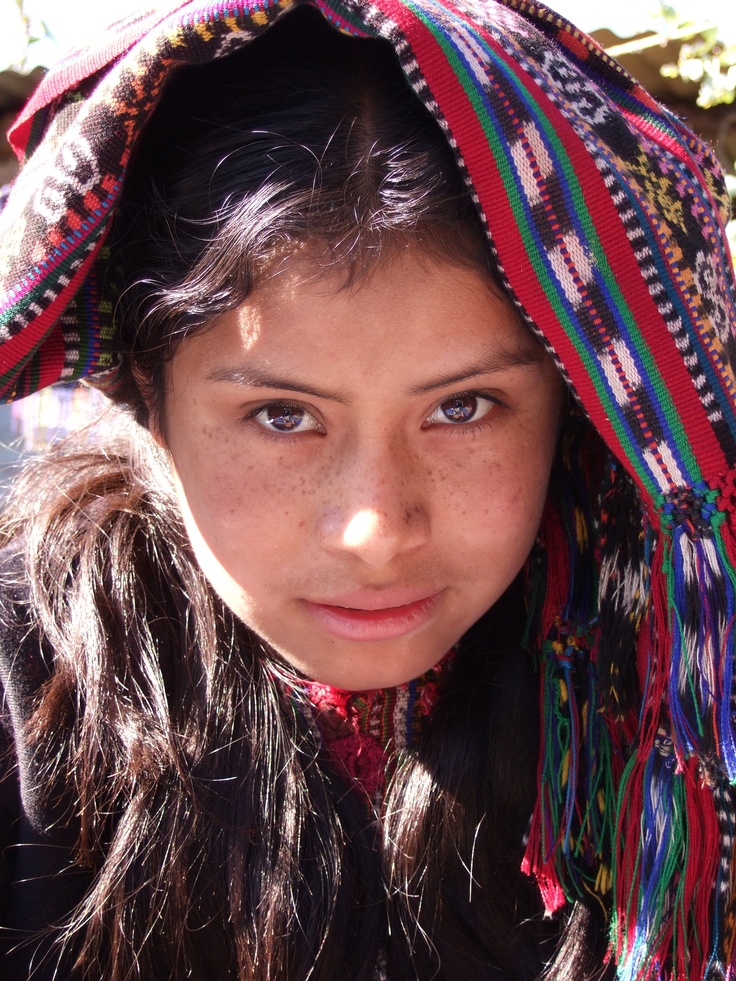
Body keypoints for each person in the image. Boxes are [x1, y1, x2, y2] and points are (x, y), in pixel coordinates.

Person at [0, 0, 735, 977]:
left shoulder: (678, 693)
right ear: (147, 394)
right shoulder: (27, 687)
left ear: (574, 401)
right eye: (282, 416)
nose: (376, 530)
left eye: (465, 407)